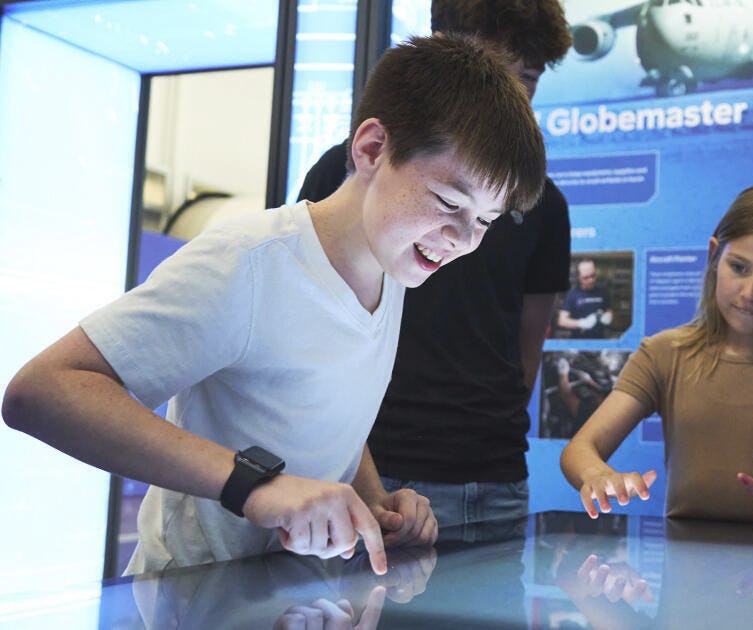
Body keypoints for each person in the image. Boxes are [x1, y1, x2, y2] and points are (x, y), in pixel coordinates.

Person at [1, 34, 546, 576]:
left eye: (484, 221)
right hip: (191, 594)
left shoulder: (393, 266)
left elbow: (319, 414)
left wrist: (376, 502)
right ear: (373, 149)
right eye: (449, 202)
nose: (461, 239)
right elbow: (42, 390)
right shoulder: (251, 262)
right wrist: (255, 485)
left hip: (290, 597)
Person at [296, 0, 573, 528]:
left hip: (496, 474)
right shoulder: (346, 170)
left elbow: (526, 351)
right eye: (496, 73)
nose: (511, 98)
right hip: (375, 468)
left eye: (527, 80)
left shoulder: (544, 205)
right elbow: (310, 326)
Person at [560, 183, 753, 528]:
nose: (750, 293)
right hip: (685, 572)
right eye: (739, 267)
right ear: (713, 256)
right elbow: (580, 449)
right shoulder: (664, 354)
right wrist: (598, 475)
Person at [557, 258, 614, 338]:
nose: (591, 280)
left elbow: (609, 310)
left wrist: (609, 316)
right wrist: (581, 323)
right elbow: (562, 321)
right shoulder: (572, 295)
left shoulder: (603, 292)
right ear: (579, 277)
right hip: (578, 343)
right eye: (586, 277)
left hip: (599, 342)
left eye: (593, 276)